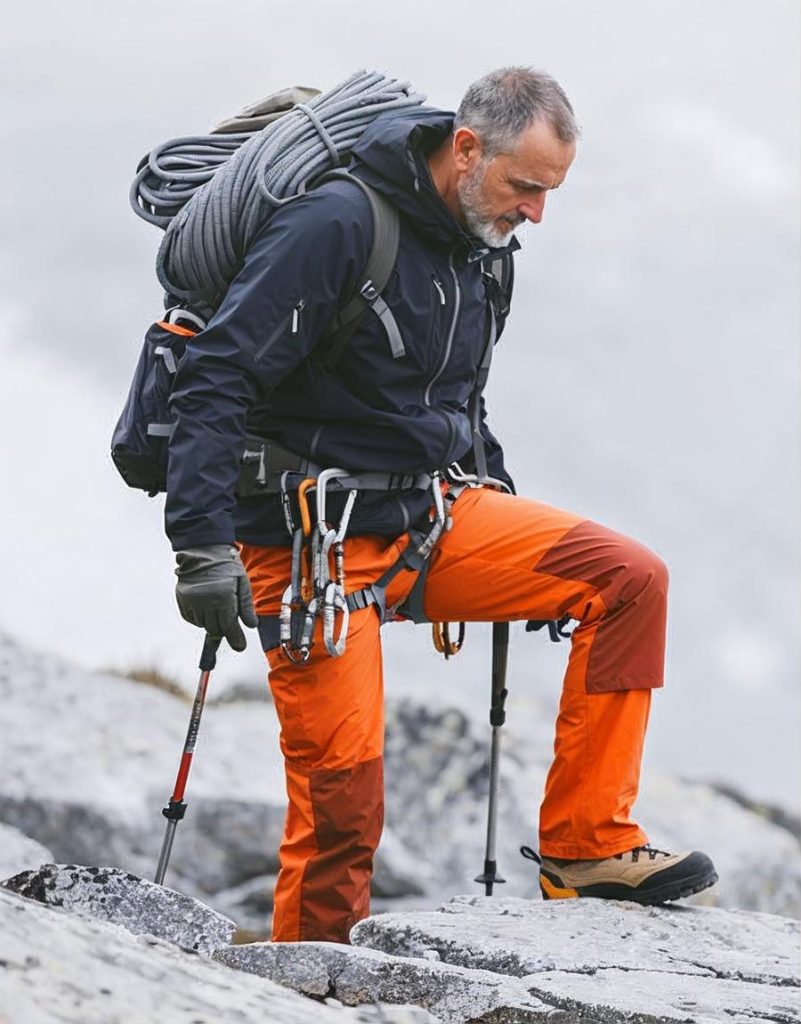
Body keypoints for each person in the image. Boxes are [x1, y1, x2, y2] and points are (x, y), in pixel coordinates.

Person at [167, 67, 718, 944]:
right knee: (344, 807)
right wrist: (201, 546)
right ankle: (310, 979)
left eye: (549, 191)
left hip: (429, 516)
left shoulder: (481, 241)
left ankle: (586, 846)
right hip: (309, 541)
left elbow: (458, 396)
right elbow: (216, 376)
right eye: (525, 186)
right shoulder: (336, 225)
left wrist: (494, 487)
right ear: (465, 149)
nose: (537, 212)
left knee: (625, 578)